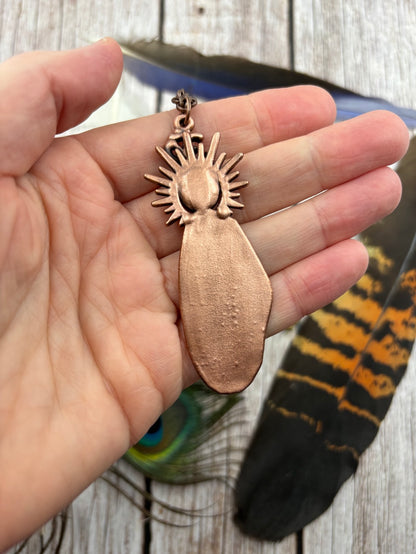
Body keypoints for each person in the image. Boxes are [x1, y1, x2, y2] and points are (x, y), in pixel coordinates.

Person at [0, 37, 409, 550]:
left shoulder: (220, 228)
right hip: (203, 268)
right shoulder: (192, 238)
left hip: (227, 266)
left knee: (252, 294)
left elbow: (252, 285)